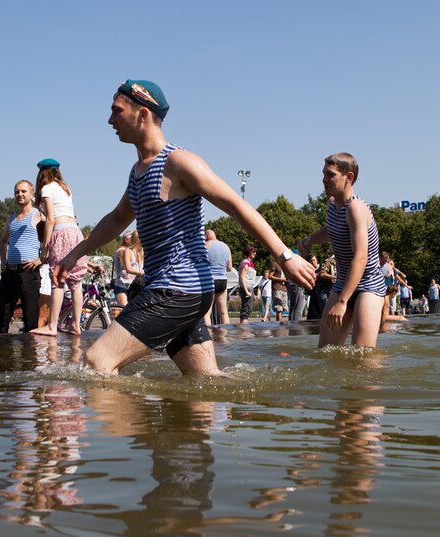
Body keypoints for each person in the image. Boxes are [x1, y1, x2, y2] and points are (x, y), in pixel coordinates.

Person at [53, 79, 315, 375]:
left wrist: (285, 256)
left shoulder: (179, 163)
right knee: (204, 384)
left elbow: (237, 206)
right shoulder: (139, 171)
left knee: (96, 363)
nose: (110, 120)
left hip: (178, 290)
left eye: (117, 111)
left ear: (143, 114)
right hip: (177, 290)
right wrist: (74, 254)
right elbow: (116, 219)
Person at [298, 153, 386, 348]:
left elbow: (361, 258)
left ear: (349, 177)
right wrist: (309, 240)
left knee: (362, 356)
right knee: (326, 352)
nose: (324, 179)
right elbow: (331, 230)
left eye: (330, 175)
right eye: (323, 174)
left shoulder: (355, 208)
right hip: (343, 284)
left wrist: (342, 301)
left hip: (368, 286)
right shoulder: (332, 204)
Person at [31, 159, 89, 336]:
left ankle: (51, 326)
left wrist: (45, 246)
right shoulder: (65, 188)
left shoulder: (47, 188)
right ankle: (76, 325)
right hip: (75, 232)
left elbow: (50, 218)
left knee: (57, 280)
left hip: (61, 232)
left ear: (42, 173)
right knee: (75, 282)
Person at [0, 180, 45, 334]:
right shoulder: (12, 218)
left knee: (31, 319)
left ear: (31, 193)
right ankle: (2, 355)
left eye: (23, 191)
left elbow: (51, 239)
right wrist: (3, 260)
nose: (20, 194)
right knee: (1, 318)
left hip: (28, 272)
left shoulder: (38, 214)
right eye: (17, 192)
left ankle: (30, 356)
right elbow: (3, 241)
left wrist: (41, 259)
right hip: (10, 271)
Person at [204, 229, 232, 325]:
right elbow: (229, 268)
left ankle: (209, 336)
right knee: (223, 312)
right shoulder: (226, 246)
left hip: (210, 281)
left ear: (206, 236)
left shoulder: (206, 245)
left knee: (207, 313)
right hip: (222, 281)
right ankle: (225, 336)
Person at [238, 245, 257, 324]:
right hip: (247, 288)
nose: (255, 253)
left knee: (247, 310)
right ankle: (244, 332)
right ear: (249, 252)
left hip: (249, 287)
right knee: (246, 311)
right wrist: (246, 291)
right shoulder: (245, 263)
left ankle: (244, 331)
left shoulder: (249, 262)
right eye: (253, 252)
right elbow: (242, 277)